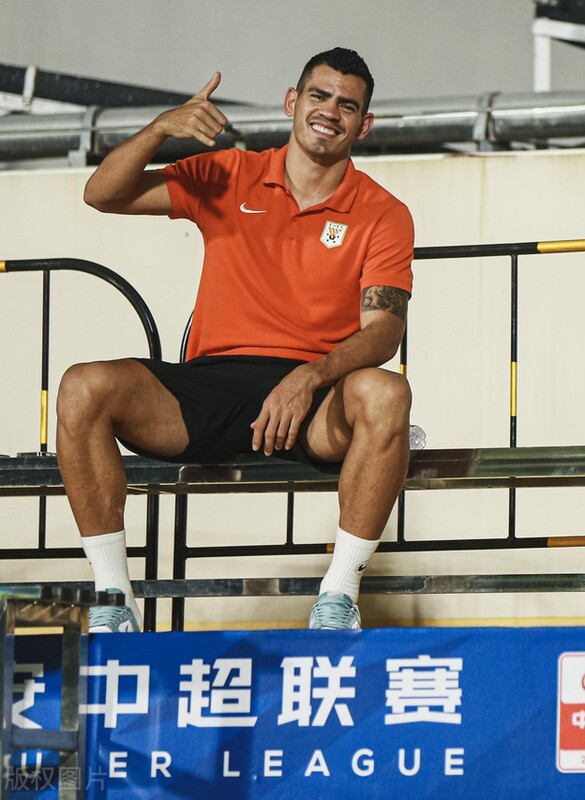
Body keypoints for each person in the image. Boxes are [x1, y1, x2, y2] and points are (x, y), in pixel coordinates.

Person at [61, 47, 415, 632]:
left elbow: (384, 330)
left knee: (387, 394)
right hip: (211, 386)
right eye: (319, 96)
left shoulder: (383, 211)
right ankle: (113, 600)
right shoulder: (229, 173)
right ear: (292, 101)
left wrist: (309, 376)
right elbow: (102, 193)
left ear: (364, 124)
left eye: (347, 106)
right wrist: (160, 128)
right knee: (82, 386)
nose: (330, 112)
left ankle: (338, 597)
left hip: (314, 397)